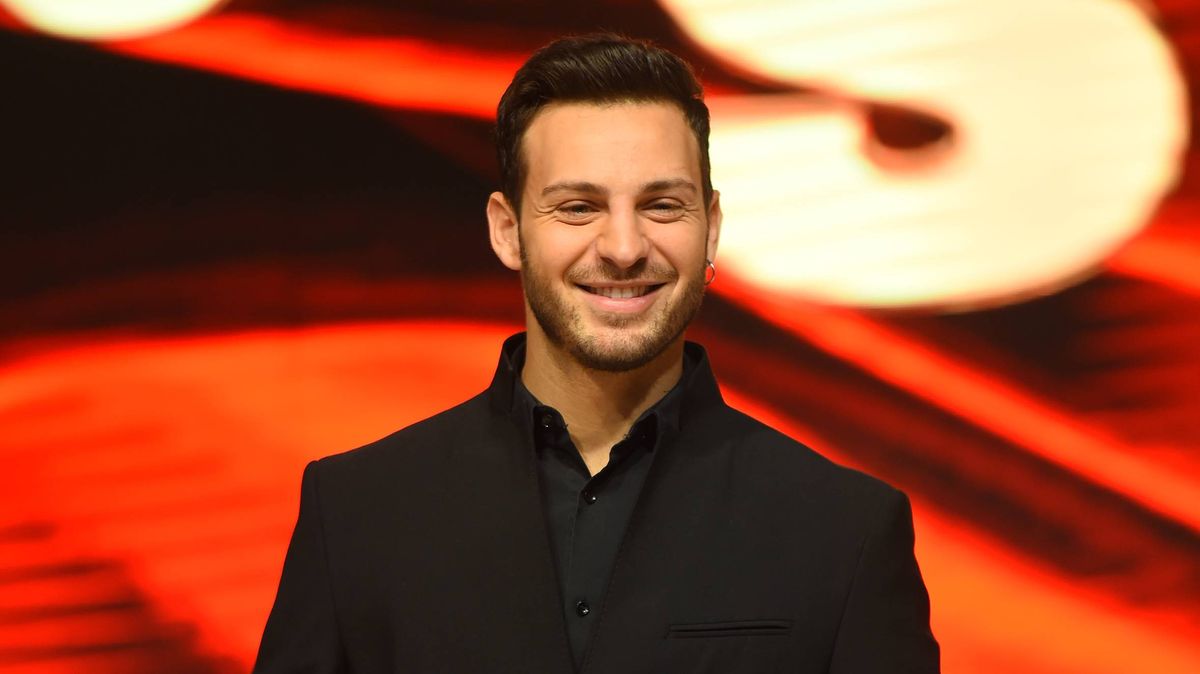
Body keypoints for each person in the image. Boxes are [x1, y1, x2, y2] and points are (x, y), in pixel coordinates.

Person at [253, 33, 939, 674]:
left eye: (662, 205)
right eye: (578, 207)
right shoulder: (355, 514)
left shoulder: (846, 532)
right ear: (507, 231)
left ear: (711, 229)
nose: (623, 248)